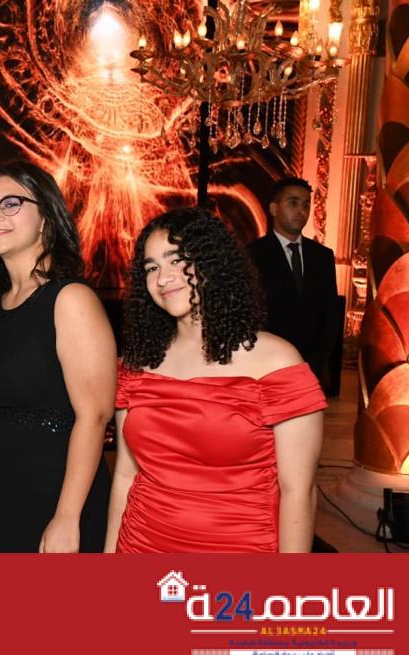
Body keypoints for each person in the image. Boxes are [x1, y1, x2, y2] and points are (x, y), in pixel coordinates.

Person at [105, 208, 326, 553]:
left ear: (212, 263)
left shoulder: (277, 362)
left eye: (177, 260)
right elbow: (124, 475)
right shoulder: (137, 363)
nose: (162, 278)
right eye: (151, 268)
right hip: (141, 545)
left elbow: (298, 491)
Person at [0, 161, 116, 552]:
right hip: (1, 493)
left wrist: (67, 516)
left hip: (56, 492)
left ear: (46, 216)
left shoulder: (70, 299)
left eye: (11, 203)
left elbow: (94, 415)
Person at [249, 176, 340, 393]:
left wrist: (315, 362)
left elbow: (331, 314)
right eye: (293, 203)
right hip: (265, 366)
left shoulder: (322, 256)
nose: (301, 211)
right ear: (273, 208)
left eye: (306, 205)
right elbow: (250, 315)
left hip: (311, 368)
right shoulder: (252, 254)